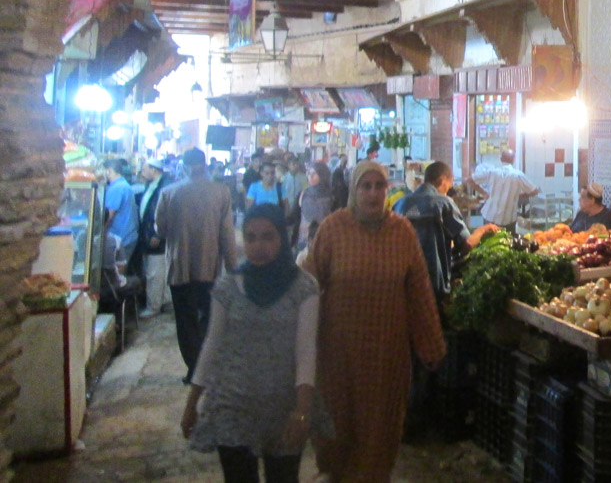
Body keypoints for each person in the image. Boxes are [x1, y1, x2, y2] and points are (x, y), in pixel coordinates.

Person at [303, 160, 445, 483]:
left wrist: (432, 346)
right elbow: (310, 288)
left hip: (386, 357)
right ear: (354, 190)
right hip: (338, 355)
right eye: (365, 186)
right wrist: (298, 343)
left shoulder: (402, 233)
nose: (372, 193)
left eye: (379, 186)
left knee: (380, 432)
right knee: (337, 428)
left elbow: (419, 293)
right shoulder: (333, 229)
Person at [181, 204, 323, 483]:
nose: (258, 246)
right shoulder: (228, 286)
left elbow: (306, 351)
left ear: (282, 237)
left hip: (282, 405)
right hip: (233, 405)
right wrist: (192, 401)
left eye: (268, 236)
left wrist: (303, 410)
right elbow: (212, 344)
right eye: (251, 237)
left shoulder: (304, 287)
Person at [156, 147, 238, 384]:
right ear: (205, 165)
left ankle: (193, 368)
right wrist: (233, 269)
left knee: (185, 320)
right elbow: (227, 234)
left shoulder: (169, 193)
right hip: (209, 267)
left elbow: (160, 229)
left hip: (179, 268)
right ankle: (206, 369)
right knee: (208, 319)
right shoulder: (221, 192)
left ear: (183, 166)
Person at [396, 161, 498, 303]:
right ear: (443, 180)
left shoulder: (400, 203)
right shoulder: (443, 203)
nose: (449, 188)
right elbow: (466, 244)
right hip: (432, 283)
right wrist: (483, 230)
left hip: (401, 283)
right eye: (449, 184)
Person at [465, 149, 538, 234]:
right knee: (507, 244)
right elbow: (534, 191)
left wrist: (484, 193)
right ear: (513, 160)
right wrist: (519, 195)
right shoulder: (518, 175)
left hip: (490, 216)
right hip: (508, 219)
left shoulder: (492, 172)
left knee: (489, 243)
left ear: (501, 159)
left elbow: (469, 180)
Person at [135, 157, 173, 318]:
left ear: (153, 169)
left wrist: (158, 233)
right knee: (160, 271)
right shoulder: (154, 185)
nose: (142, 173)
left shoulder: (164, 187)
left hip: (157, 236)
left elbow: (164, 212)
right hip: (152, 233)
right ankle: (163, 301)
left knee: (155, 272)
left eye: (144, 169)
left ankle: (154, 305)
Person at [103, 158, 138, 256]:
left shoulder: (117, 188)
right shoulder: (122, 185)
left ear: (109, 171)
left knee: (117, 269)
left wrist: (99, 233)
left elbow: (109, 215)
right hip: (127, 235)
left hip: (121, 238)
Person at [297, 162, 334, 252]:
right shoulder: (304, 193)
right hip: (305, 238)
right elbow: (296, 216)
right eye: (309, 174)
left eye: (314, 174)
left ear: (322, 175)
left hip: (326, 237)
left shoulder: (332, 195)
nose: (311, 176)